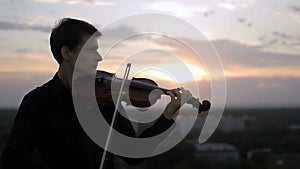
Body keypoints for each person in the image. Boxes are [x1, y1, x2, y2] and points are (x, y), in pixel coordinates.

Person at [1, 18, 192, 169]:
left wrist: (167, 116)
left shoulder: (103, 99)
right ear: (67, 53)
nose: (99, 58)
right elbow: (14, 158)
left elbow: (132, 155)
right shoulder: (38, 102)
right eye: (91, 50)